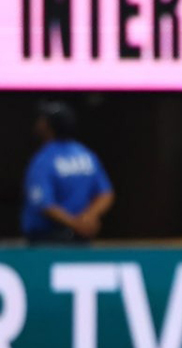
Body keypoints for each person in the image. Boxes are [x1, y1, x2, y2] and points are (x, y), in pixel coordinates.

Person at [21, 101, 114, 243]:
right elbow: (106, 194)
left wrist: (76, 223)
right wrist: (88, 218)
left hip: (48, 241)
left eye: (42, 119)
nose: (38, 123)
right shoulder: (85, 154)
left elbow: (44, 204)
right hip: (80, 236)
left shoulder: (44, 159)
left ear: (47, 125)